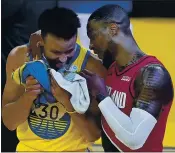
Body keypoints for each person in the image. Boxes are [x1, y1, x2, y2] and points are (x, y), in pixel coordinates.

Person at [2, 7, 107, 152]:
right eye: (56, 52)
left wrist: (66, 102)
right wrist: (28, 96)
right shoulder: (20, 57)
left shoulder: (91, 67)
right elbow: (9, 123)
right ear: (41, 40)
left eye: (69, 51)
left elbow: (93, 135)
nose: (63, 58)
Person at [81, 4, 174, 152]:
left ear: (113, 29)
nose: (91, 44)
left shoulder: (152, 74)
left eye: (93, 35)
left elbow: (134, 139)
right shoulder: (111, 69)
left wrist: (101, 95)